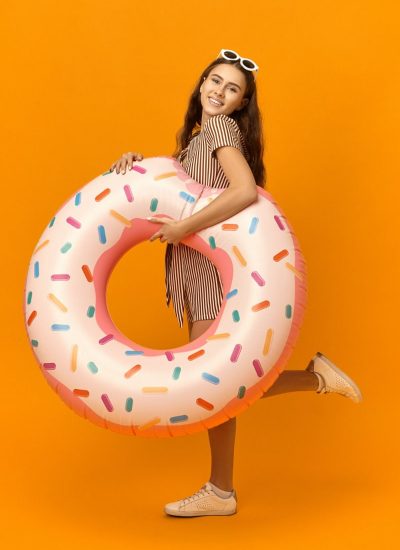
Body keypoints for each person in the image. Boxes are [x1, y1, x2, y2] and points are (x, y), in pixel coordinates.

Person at [109, 49, 363, 518]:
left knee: (218, 386)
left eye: (232, 89)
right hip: (196, 271)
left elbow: (244, 190)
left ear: (242, 103)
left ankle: (222, 489)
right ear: (201, 82)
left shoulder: (223, 131)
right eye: (214, 80)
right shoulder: (198, 138)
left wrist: (185, 229)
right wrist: (135, 162)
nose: (218, 92)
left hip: (211, 273)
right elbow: (174, 188)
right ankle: (315, 380)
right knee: (222, 383)